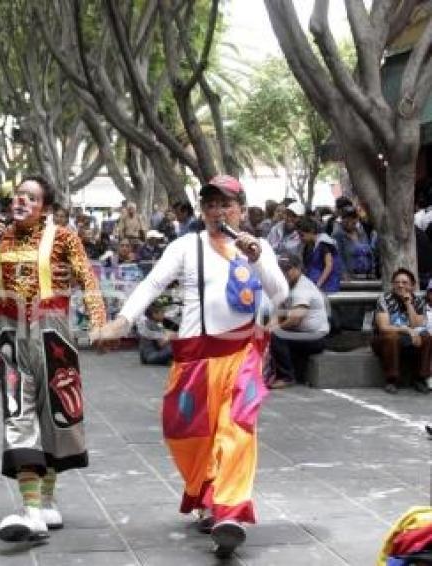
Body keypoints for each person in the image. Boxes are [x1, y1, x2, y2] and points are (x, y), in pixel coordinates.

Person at [91, 175, 288, 558]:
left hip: (242, 354)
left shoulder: (258, 246)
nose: (217, 211)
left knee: (238, 429)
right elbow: (151, 284)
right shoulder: (186, 246)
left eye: (225, 204)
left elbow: (279, 293)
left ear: (241, 211)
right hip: (196, 356)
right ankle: (207, 492)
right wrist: (123, 322)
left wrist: (258, 257)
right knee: (190, 436)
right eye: (210, 204)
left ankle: (229, 511)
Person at [0, 175, 106, 543]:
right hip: (8, 334)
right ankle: (30, 509)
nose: (21, 201)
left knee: (58, 415)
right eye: (18, 194)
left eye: (30, 197)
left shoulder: (64, 236)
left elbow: (88, 279)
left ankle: (46, 501)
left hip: (52, 333)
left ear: (45, 207)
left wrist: (99, 323)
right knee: (18, 411)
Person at [267, 254, 330, 388]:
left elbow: (295, 320)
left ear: (298, 268)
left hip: (316, 337)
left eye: (287, 269)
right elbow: (278, 310)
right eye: (281, 270)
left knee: (277, 336)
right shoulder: (286, 286)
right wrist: (269, 326)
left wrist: (273, 329)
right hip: (301, 333)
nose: (284, 273)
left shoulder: (303, 288)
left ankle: (286, 377)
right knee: (270, 333)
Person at [372, 268, 431, 394]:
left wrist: (408, 304)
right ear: (393, 284)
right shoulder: (384, 299)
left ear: (413, 285)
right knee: (392, 336)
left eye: (405, 283)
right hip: (383, 340)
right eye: (397, 282)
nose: (400, 285)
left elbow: (418, 325)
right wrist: (406, 330)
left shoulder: (418, 301)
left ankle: (420, 378)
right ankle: (391, 380)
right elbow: (384, 327)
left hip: (409, 339)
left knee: (427, 337)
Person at [298, 217, 342, 293]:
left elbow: (329, 265)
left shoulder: (324, 243)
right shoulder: (309, 246)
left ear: (311, 231)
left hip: (327, 285)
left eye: (302, 235)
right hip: (314, 284)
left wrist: (318, 284)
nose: (300, 238)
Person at [333, 207, 376, 280]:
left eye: (353, 218)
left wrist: (372, 271)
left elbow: (370, 253)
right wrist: (343, 273)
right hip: (348, 278)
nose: (350, 221)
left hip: (366, 277)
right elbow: (338, 257)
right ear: (342, 219)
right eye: (346, 218)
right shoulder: (338, 235)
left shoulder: (362, 233)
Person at [137, 300, 177, 365]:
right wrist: (169, 337)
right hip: (151, 357)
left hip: (146, 358)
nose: (164, 315)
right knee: (174, 346)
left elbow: (162, 334)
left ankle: (170, 361)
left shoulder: (150, 323)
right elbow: (161, 344)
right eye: (162, 313)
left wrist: (168, 334)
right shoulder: (152, 324)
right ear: (154, 314)